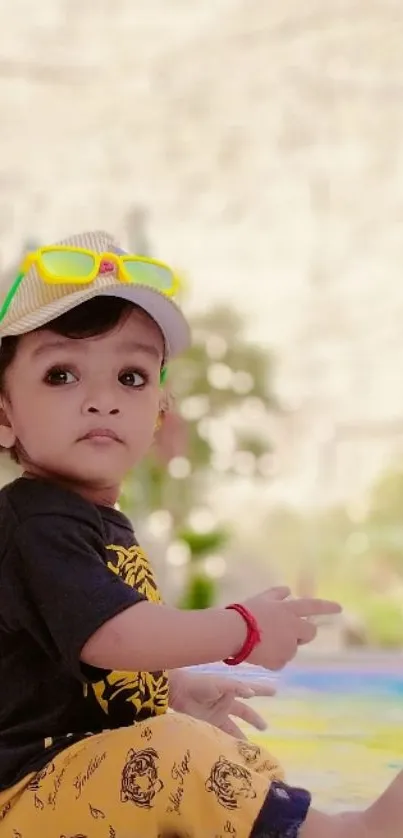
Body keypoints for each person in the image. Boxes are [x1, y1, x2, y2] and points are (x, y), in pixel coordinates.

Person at [0, 229, 400, 838]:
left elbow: (82, 659)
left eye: (131, 377)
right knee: (175, 758)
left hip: (75, 779)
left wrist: (172, 690)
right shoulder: (32, 522)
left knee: (226, 756)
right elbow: (114, 636)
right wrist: (239, 629)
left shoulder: (98, 522)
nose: (102, 399)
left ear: (159, 409)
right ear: (4, 417)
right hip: (21, 794)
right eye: (62, 375)